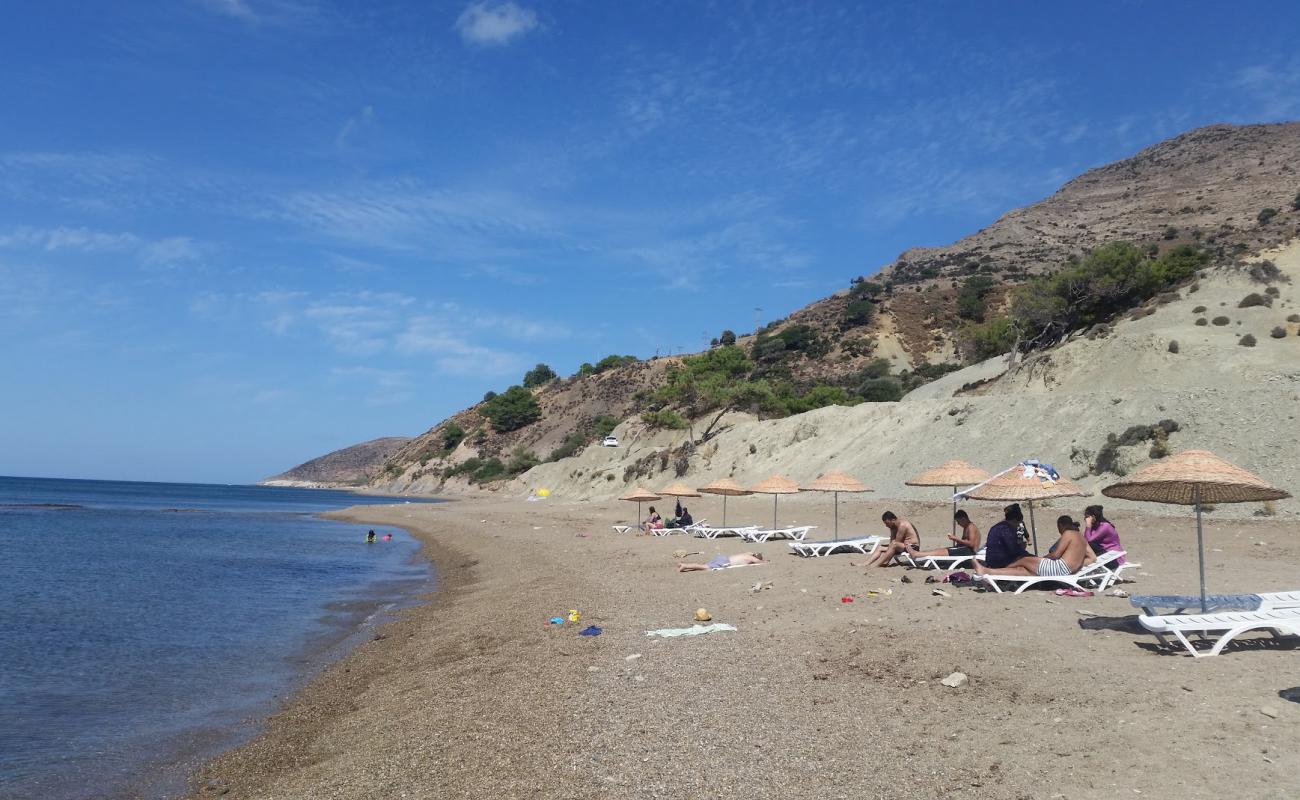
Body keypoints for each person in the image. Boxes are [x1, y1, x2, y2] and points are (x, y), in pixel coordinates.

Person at [974, 515, 1095, 579]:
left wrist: (1044, 558)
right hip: (1068, 571)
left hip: (1057, 569)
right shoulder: (1082, 538)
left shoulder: (1068, 533)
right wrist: (1077, 564)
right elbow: (1093, 558)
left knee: (1022, 560)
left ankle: (995, 569)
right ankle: (988, 572)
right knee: (1023, 571)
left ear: (1061, 525)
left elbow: (1056, 555)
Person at [910, 510, 980, 559]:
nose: (958, 524)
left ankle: (916, 554)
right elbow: (964, 543)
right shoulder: (967, 527)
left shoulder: (971, 527)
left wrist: (955, 538)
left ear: (963, 519)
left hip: (969, 552)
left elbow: (971, 544)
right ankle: (918, 554)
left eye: (958, 522)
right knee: (942, 550)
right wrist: (955, 540)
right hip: (965, 550)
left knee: (943, 551)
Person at [980, 503, 1029, 569]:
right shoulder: (1007, 529)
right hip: (1000, 562)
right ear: (1014, 520)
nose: (1018, 526)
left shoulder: (996, 527)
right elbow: (1014, 550)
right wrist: (1026, 553)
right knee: (1028, 561)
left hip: (991, 560)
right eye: (1018, 524)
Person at [677, 552, 765, 572]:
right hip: (725, 562)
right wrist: (766, 562)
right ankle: (684, 566)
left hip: (723, 557)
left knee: (704, 565)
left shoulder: (747, 554)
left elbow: (751, 553)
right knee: (704, 567)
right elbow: (759, 562)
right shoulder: (750, 557)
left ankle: (683, 564)